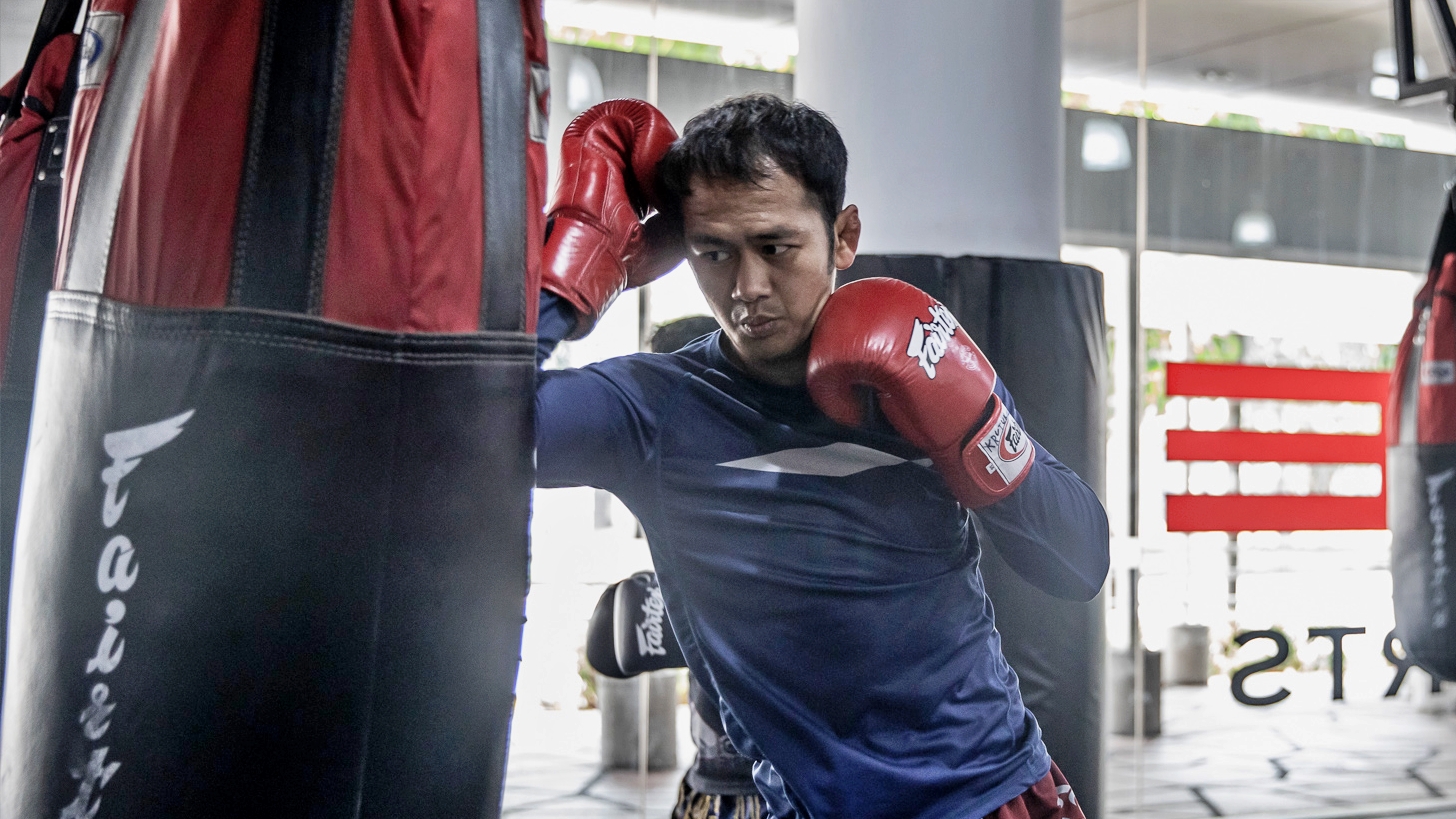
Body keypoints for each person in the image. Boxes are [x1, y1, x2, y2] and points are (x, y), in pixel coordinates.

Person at [535, 93, 1109, 819]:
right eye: (713, 252)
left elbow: (1080, 563)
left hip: (995, 789)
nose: (747, 289)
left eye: (775, 248)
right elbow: (459, 432)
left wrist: (977, 429)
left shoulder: (923, 356)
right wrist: (575, 269)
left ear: (843, 236)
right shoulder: (654, 411)